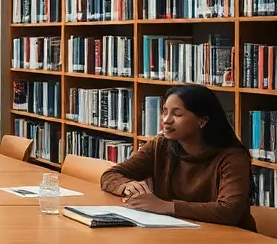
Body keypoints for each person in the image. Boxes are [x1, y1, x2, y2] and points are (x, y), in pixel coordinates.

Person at [100, 84, 255, 229]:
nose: (166, 120)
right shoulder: (161, 145)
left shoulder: (232, 157)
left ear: (202, 120)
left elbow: (230, 210)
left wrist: (167, 206)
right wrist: (127, 186)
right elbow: (110, 175)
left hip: (228, 241)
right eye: (164, 111)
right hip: (177, 233)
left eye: (177, 114)